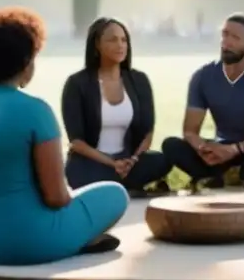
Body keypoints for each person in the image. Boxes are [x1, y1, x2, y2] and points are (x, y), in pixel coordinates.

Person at [0, 8, 129, 265]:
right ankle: (75, 240)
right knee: (115, 194)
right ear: (25, 62)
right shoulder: (35, 110)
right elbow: (56, 197)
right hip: (23, 242)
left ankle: (75, 237)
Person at [161, 14, 244, 189]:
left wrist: (236, 149)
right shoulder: (203, 76)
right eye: (225, 34)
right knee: (171, 145)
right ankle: (225, 174)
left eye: (235, 38)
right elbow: (190, 131)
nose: (227, 42)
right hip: (222, 148)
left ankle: (231, 174)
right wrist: (203, 147)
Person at [60, 17, 172, 196]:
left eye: (124, 40)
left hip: (128, 161)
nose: (120, 45)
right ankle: (121, 185)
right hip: (92, 162)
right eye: (112, 39)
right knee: (78, 172)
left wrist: (132, 160)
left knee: (161, 161)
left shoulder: (139, 80)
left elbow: (147, 133)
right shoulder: (77, 83)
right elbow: (76, 141)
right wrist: (112, 163)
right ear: (97, 44)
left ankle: (115, 185)